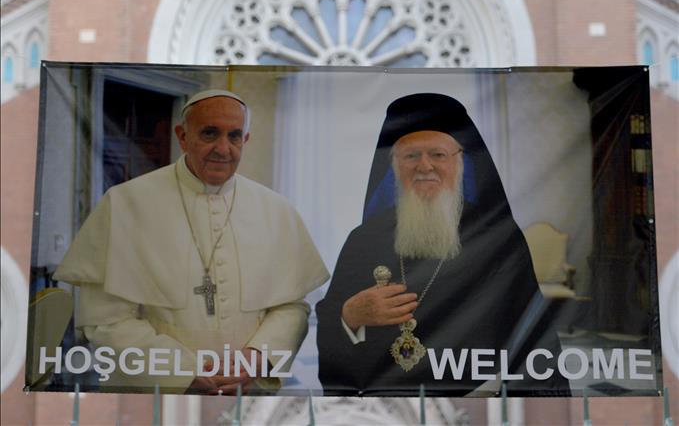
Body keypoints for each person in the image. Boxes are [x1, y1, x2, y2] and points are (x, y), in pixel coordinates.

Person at [54, 89, 329, 394]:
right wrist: (182, 373)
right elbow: (105, 320)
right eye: (210, 133)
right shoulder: (125, 204)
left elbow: (293, 305)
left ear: (245, 140)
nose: (223, 149)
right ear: (183, 137)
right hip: (157, 391)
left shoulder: (276, 210)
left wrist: (259, 358)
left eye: (234, 136)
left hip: (248, 388)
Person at [316, 93, 570, 397]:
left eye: (438, 154)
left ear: (460, 162)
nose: (425, 166)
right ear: (394, 165)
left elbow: (532, 334)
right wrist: (350, 316)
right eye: (411, 155)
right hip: (384, 400)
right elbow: (332, 321)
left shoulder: (497, 237)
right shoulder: (364, 238)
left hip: (475, 397)